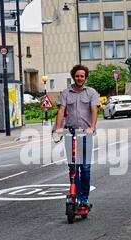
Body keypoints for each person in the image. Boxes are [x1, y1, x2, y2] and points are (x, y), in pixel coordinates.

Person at [55, 64, 100, 208]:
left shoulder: (91, 92)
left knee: (85, 167)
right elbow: (61, 110)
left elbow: (94, 111)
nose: (79, 78)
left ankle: (84, 198)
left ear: (85, 77)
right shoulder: (66, 93)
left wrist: (92, 127)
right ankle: (76, 196)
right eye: (77, 76)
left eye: (82, 76)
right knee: (73, 167)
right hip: (71, 133)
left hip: (85, 134)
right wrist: (58, 128)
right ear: (73, 76)